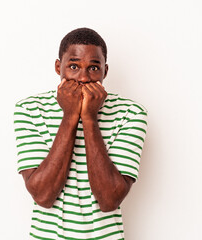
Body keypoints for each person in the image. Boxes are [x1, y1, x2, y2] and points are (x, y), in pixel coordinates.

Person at [14, 27, 148, 239]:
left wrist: (89, 118)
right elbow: (43, 196)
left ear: (105, 71)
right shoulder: (29, 109)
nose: (84, 78)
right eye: (74, 66)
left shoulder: (130, 113)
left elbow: (109, 201)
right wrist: (70, 116)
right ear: (59, 67)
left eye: (94, 68)